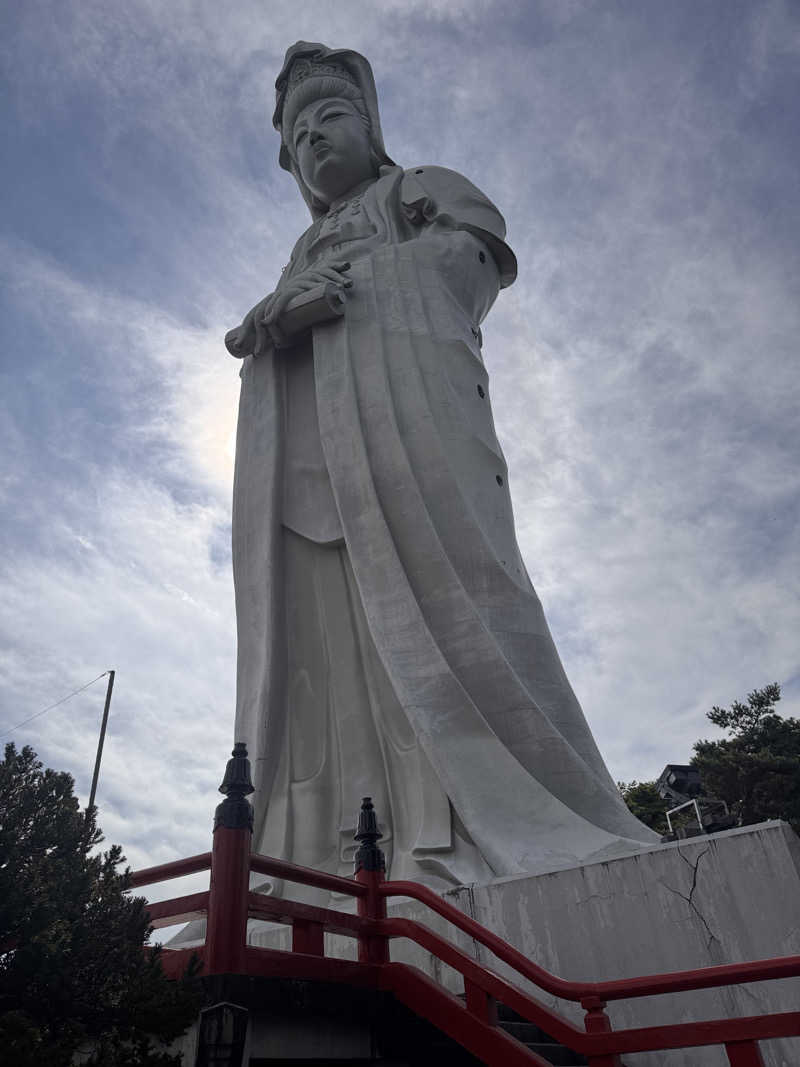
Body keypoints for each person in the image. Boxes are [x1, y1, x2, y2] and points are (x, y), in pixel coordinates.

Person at [226, 42, 657, 903]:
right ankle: (335, 849)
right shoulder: (300, 248)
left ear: (372, 127)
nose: (314, 143)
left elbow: (470, 261)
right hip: (317, 478)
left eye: (329, 120)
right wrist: (281, 316)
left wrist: (355, 290)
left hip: (413, 436)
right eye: (298, 136)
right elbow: (260, 335)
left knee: (465, 604)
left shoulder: (410, 189)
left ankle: (506, 817)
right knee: (334, 645)